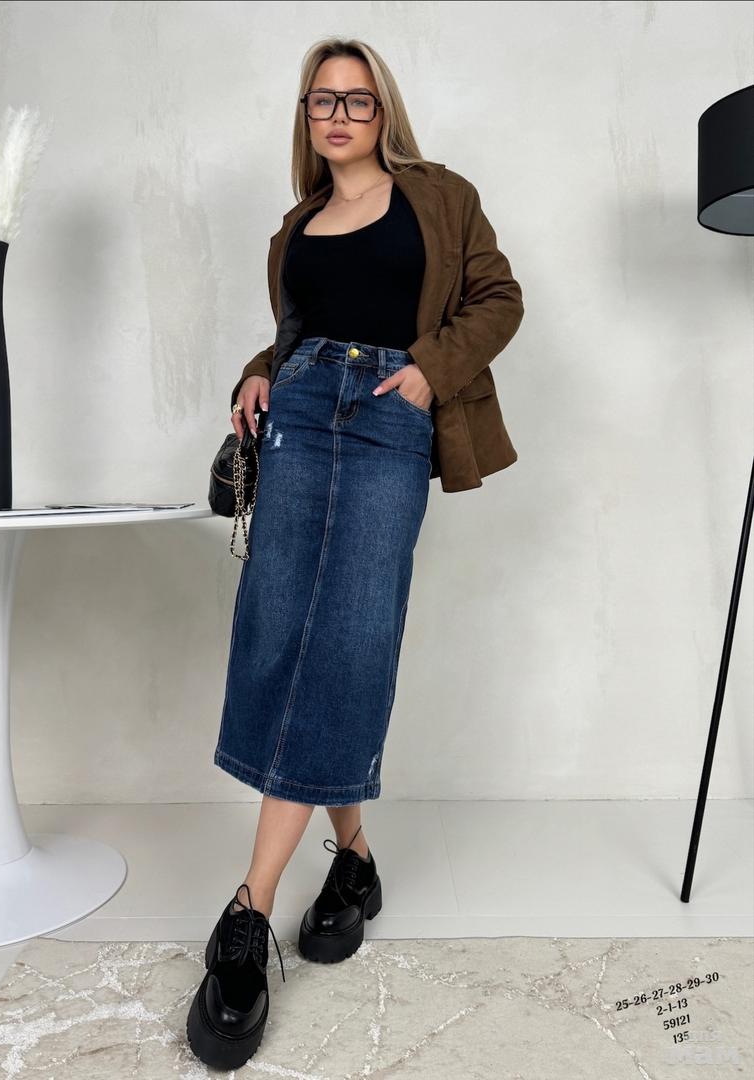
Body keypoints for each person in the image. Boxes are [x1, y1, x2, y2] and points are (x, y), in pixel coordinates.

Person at [187, 36, 524, 1071]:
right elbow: (301, 332)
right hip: (296, 422)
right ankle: (355, 864)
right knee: (282, 636)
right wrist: (257, 371)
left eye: (357, 100)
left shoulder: (440, 197)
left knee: (349, 640)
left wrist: (426, 373)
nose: (339, 115)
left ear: (384, 113)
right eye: (322, 101)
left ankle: (248, 911)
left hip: (387, 424)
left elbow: (498, 299)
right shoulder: (295, 229)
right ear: (306, 115)